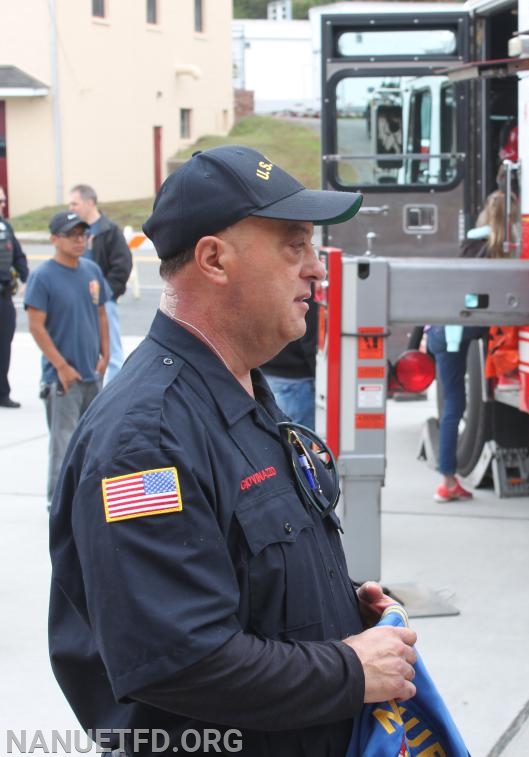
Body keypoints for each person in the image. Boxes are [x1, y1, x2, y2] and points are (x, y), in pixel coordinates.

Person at [49, 145, 419, 757]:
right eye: (293, 244)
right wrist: (349, 670)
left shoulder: (241, 388)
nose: (317, 269)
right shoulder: (147, 441)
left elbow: (234, 571)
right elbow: (177, 659)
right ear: (214, 259)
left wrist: (339, 611)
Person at [426, 190, 518, 502]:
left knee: (454, 405)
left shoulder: (473, 242)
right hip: (453, 334)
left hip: (442, 329)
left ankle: (448, 479)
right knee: (454, 406)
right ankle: (447, 480)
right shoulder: (501, 247)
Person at [24, 212, 109, 501]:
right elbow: (35, 326)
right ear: (54, 239)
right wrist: (61, 366)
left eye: (82, 234)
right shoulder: (43, 277)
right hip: (63, 379)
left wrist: (105, 355)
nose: (78, 239)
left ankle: (88, 500)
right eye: (71, 234)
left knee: (96, 444)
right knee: (63, 445)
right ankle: (58, 504)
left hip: (92, 373)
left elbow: (101, 313)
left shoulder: (91, 271)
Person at [68, 183, 133, 384]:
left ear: (89, 202)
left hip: (104, 302)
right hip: (78, 303)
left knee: (111, 353)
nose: (71, 208)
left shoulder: (109, 230)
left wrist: (106, 294)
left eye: (75, 204)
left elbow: (122, 265)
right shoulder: (77, 231)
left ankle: (112, 398)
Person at [261, 296, 318, 429]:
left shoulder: (274, 286)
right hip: (297, 385)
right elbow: (311, 343)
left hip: (269, 377)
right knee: (300, 444)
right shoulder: (307, 293)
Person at [0, 187, 30, 408]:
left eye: (4, 200)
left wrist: (28, 279)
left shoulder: (5, 227)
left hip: (4, 297)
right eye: (0, 200)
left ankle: (2, 392)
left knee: (4, 345)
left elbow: (18, 256)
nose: (3, 204)